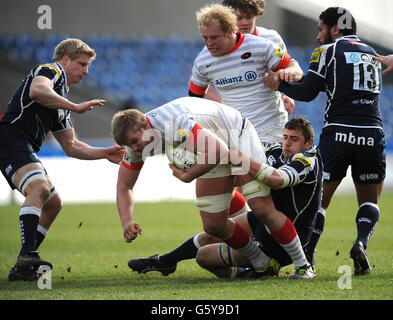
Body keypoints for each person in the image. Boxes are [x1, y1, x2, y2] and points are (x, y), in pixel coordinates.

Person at [112, 96, 315, 279]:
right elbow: (124, 185)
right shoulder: (135, 145)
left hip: (236, 136)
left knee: (261, 207)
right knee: (214, 225)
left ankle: (303, 266)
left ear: (144, 124)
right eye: (129, 144)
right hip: (208, 150)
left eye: (135, 141)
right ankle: (261, 262)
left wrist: (187, 176)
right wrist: (127, 221)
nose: (136, 148)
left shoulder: (174, 122)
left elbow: (220, 150)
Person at [264, 7, 386, 276]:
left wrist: (278, 85)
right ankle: (361, 242)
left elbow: (307, 91)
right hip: (372, 132)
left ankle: (307, 260)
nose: (318, 36)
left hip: (338, 132)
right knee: (369, 199)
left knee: (319, 200)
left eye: (320, 29)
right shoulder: (371, 52)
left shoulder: (328, 50)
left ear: (334, 29)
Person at [0, 38, 124, 281]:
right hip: (11, 138)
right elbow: (37, 90)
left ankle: (23, 264)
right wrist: (75, 107)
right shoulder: (50, 70)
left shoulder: (61, 102)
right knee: (39, 187)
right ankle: (28, 256)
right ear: (64, 59)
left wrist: (104, 153)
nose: (86, 71)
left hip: (24, 145)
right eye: (82, 64)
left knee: (54, 203)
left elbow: (72, 146)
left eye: (88, 66)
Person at [196, 116, 322, 278]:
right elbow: (248, 169)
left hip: (285, 240)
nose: (287, 143)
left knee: (205, 256)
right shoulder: (275, 150)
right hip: (264, 223)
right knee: (210, 239)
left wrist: (238, 157)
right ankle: (165, 260)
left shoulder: (307, 160)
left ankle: (292, 265)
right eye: (285, 137)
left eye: (294, 139)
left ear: (309, 143)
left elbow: (277, 179)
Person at [204, 0, 295, 116]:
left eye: (249, 17)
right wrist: (225, 107)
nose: (245, 23)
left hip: (270, 118)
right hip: (235, 122)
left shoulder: (272, 38)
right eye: (239, 18)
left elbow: (287, 70)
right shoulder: (217, 46)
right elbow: (199, 82)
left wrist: (289, 95)